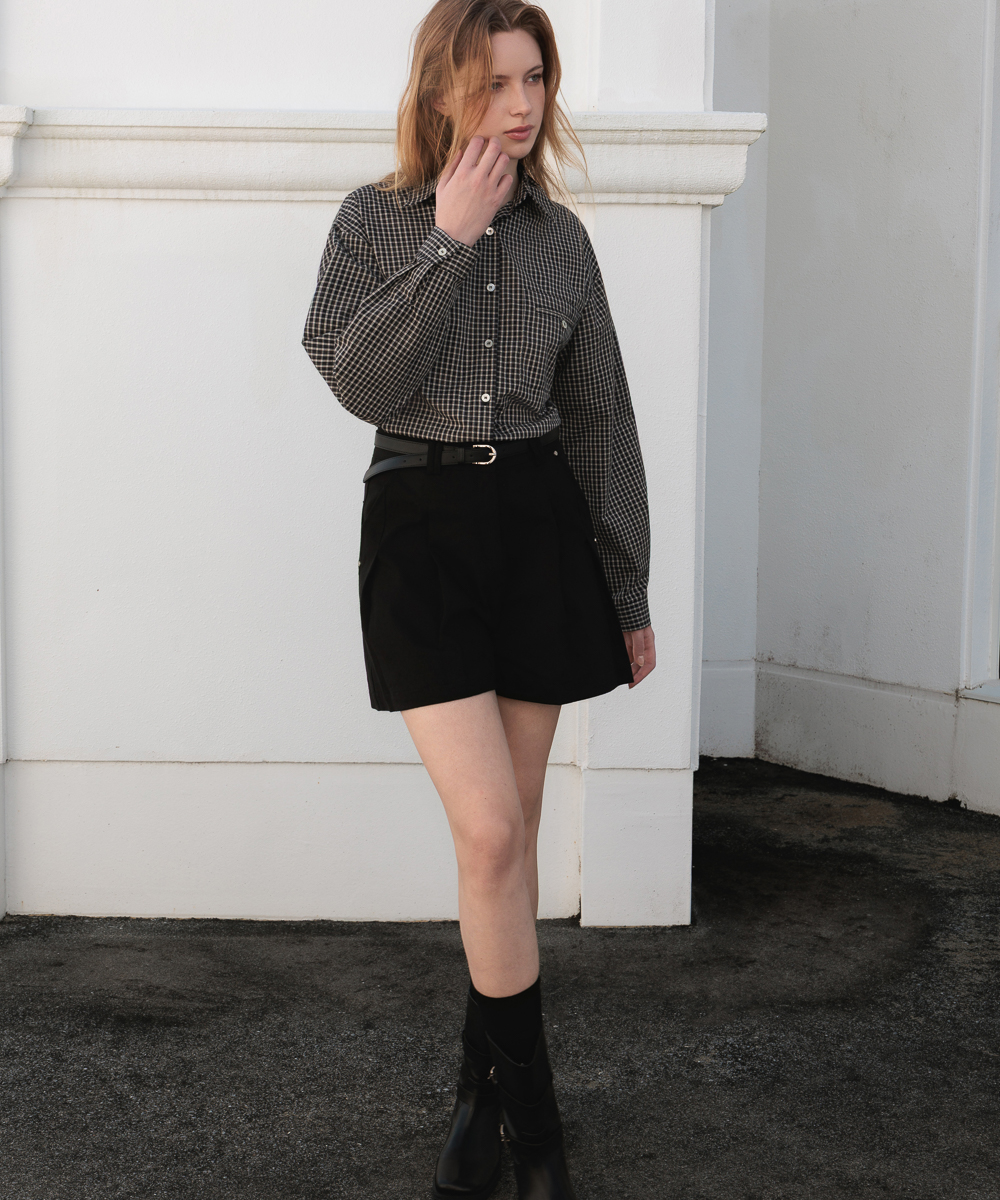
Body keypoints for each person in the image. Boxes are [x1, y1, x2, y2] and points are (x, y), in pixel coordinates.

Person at [303, 2, 654, 1195]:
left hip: (540, 533)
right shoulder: (374, 222)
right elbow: (359, 380)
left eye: (534, 77)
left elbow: (600, 416)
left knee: (505, 842)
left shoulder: (563, 241)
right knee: (493, 832)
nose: (519, 104)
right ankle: (539, 1136)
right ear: (442, 86)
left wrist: (626, 586)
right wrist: (447, 242)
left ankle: (477, 1101)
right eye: (495, 80)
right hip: (423, 530)